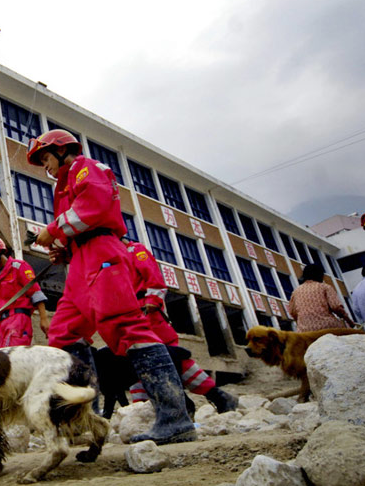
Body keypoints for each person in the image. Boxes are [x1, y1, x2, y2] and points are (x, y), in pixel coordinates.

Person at [28, 129, 195, 445]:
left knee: (127, 327)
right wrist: (63, 248)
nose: (45, 166)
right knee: (62, 332)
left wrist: (53, 231)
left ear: (63, 151)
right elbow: (78, 223)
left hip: (103, 254)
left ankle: (175, 418)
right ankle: (81, 421)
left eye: (46, 158)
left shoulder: (86, 168)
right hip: (80, 263)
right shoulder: (63, 187)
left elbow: (95, 207)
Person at [122, 237, 239, 414]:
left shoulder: (135, 250)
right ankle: (148, 409)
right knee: (137, 361)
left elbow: (154, 278)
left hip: (146, 314)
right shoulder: (113, 257)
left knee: (171, 357)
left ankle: (214, 396)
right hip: (129, 316)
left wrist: (152, 301)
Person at [0, 235, 50, 347]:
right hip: (4, 324)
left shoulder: (19, 266)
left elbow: (36, 293)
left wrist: (44, 319)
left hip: (19, 320)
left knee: (12, 358)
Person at [287, 263, 354, 332]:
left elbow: (292, 312)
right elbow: (336, 307)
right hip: (327, 327)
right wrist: (349, 321)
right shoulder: (325, 287)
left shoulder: (296, 291)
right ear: (320, 275)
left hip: (305, 331)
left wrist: (304, 322)